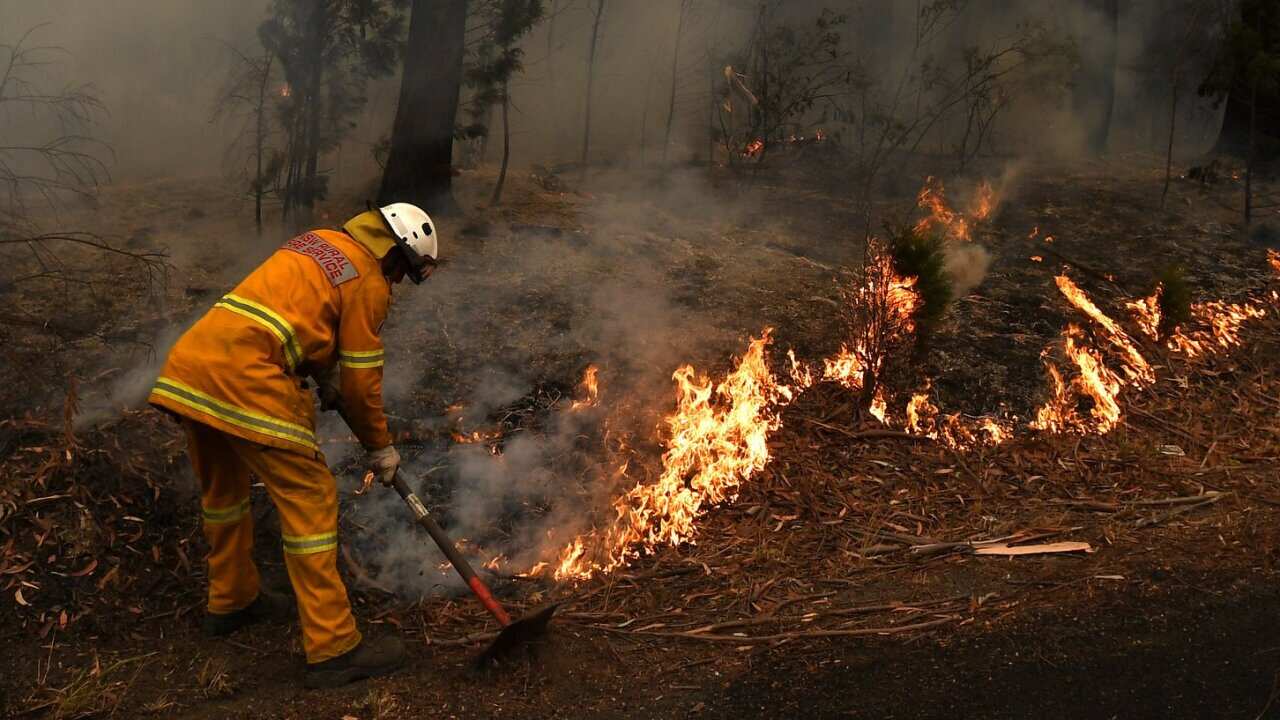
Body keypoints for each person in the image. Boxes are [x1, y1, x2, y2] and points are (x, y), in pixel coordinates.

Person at [148, 203, 437, 688]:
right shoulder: (368, 277)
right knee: (311, 500)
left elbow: (296, 314)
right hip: (248, 376)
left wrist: (320, 370)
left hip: (193, 366)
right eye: (402, 272)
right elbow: (363, 383)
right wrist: (380, 446)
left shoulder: (319, 241)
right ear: (393, 251)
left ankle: (232, 601)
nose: (397, 283)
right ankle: (333, 647)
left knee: (224, 495)